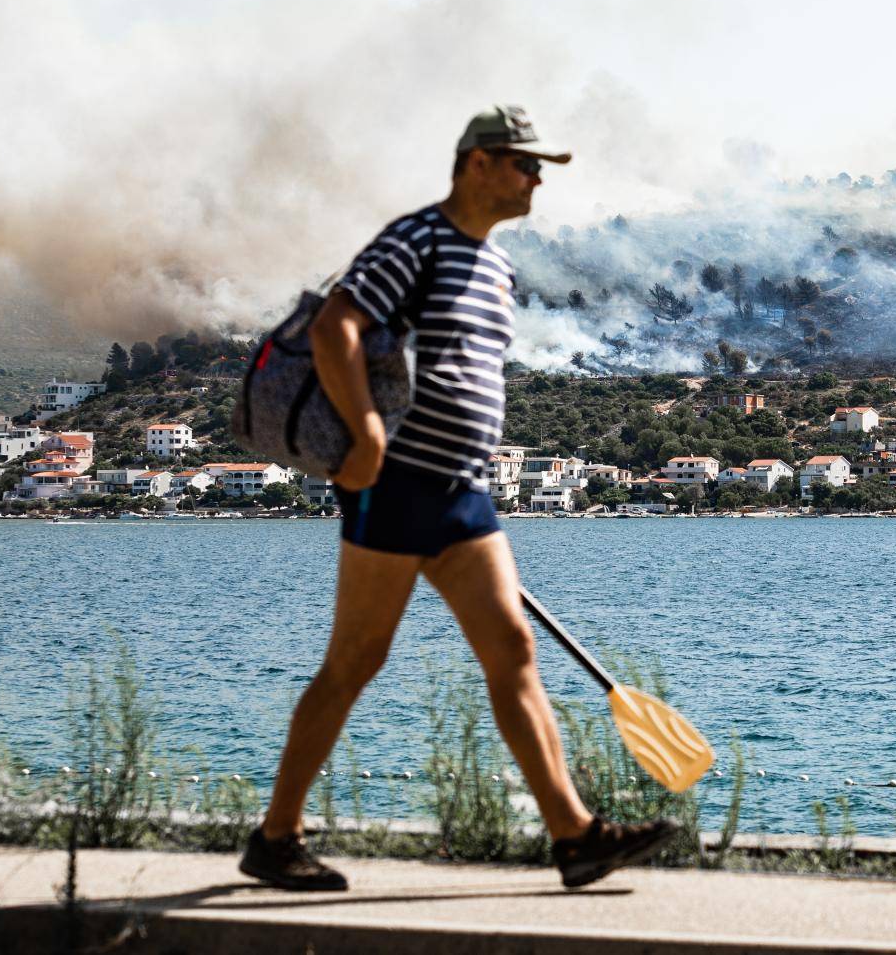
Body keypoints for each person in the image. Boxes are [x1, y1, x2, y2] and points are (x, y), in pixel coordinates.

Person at [239, 106, 677, 891]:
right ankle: (275, 838)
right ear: (477, 163)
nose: (537, 179)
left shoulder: (497, 268)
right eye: (525, 163)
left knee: (513, 649)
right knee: (354, 663)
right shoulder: (415, 241)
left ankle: (574, 836)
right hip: (397, 484)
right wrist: (368, 436)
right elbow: (339, 326)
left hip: (464, 491)